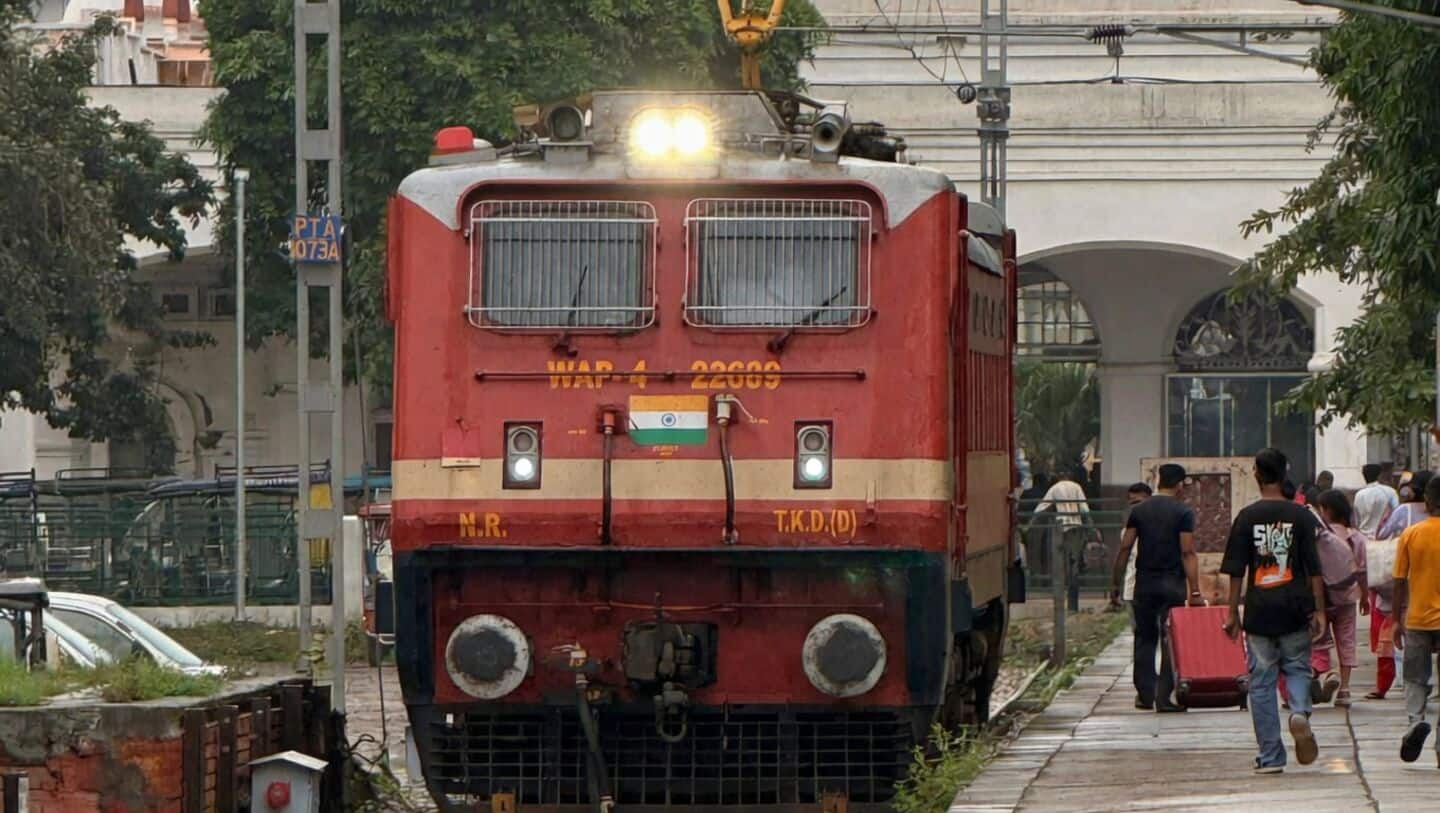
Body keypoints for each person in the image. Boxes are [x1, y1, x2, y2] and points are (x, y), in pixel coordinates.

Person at [1222, 448, 1325, 774]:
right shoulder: (1302, 517)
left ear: (1256, 474)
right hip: (1295, 607)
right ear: (1286, 473)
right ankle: (1298, 711)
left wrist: (1231, 612)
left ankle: (1270, 757)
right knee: (1297, 668)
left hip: (1259, 610)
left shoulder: (1247, 517)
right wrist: (1320, 610)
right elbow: (1314, 570)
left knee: (1262, 682)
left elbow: (1236, 570)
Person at [1112, 464, 1202, 712]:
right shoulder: (1183, 512)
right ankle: (1164, 697)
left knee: (1144, 638)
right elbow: (1188, 551)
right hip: (1172, 584)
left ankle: (1145, 694)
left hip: (1145, 584)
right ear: (1180, 484)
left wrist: (1115, 583)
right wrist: (1195, 591)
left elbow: (1125, 547)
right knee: (1169, 639)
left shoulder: (1139, 511)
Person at [1372, 471, 1433, 700]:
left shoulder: (1403, 513)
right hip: (1431, 582)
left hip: (1407, 579)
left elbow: (1383, 535)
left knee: (1406, 633)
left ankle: (1410, 682)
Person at [1393, 475, 1440, 766]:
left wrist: (1395, 620)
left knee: (1414, 676)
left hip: (1419, 618)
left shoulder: (1412, 533)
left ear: (1427, 502)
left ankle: (1415, 721)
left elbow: (1398, 580)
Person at [1314, 489, 1369, 708]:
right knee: (1346, 641)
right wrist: (1364, 596)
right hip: (1347, 596)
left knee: (1318, 639)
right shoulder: (1356, 537)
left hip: (1322, 598)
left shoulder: (1320, 537)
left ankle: (1322, 675)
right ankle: (1344, 689)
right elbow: (1362, 571)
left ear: (1326, 511)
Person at [1116, 482, 1154, 614]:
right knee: (1138, 632)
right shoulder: (1126, 532)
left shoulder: (1161, 528)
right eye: (1132, 503)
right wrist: (1116, 586)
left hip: (1155, 591)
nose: (1135, 507)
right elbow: (1123, 558)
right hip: (1132, 590)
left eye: (1139, 502)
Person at [1356, 463, 1401, 539]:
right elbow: (1397, 515)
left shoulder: (1359, 494)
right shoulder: (1390, 492)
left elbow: (1356, 519)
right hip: (1384, 539)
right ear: (1379, 475)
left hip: (1363, 538)